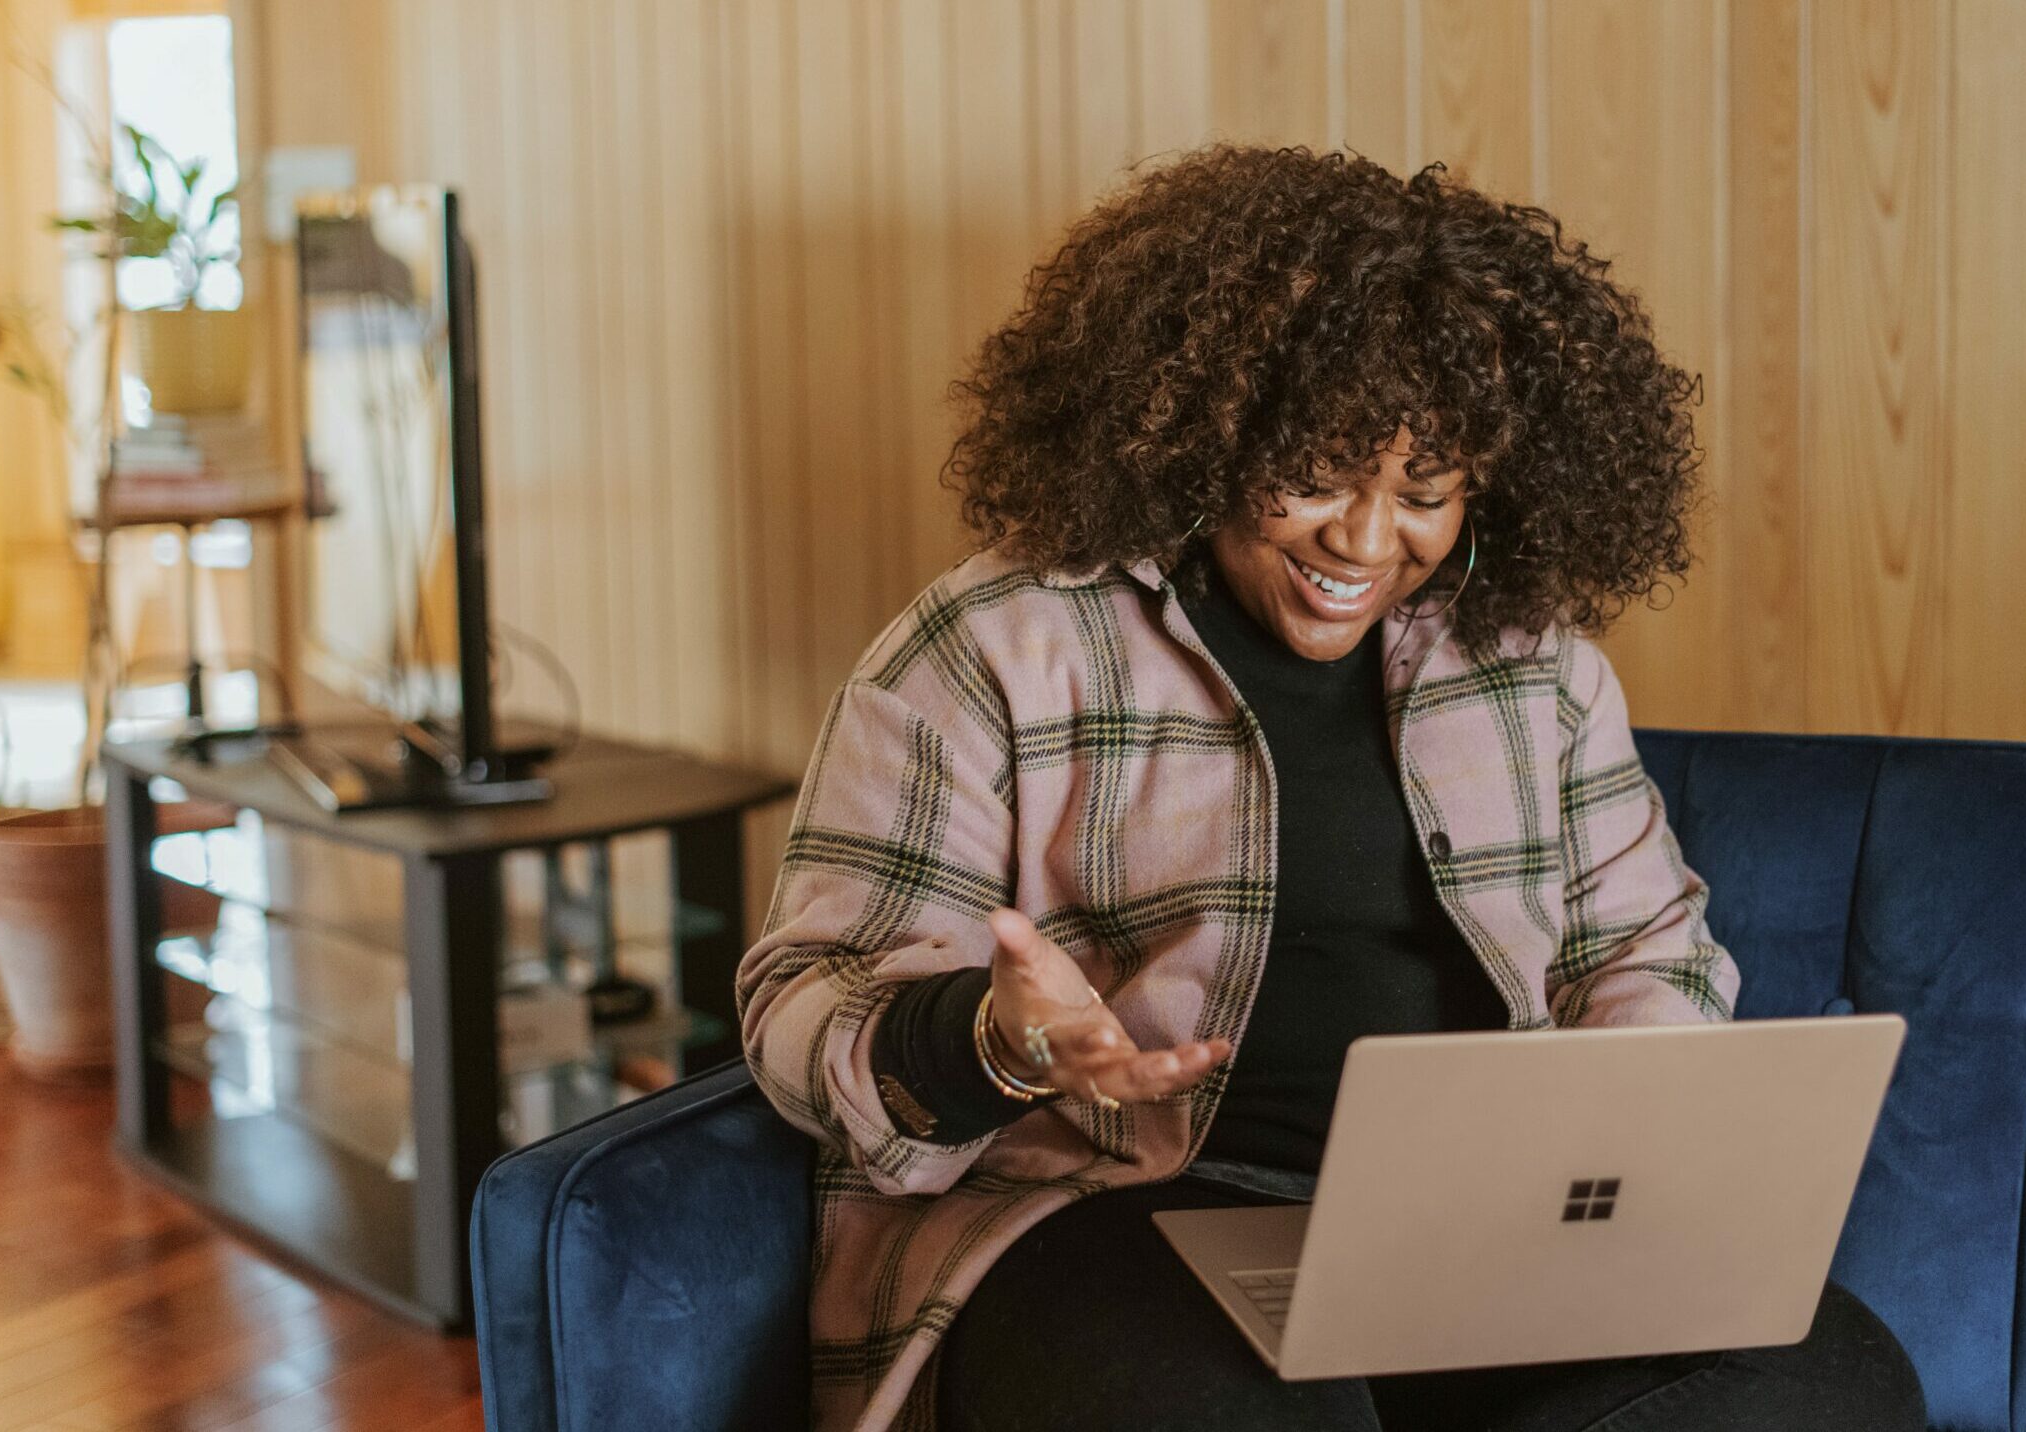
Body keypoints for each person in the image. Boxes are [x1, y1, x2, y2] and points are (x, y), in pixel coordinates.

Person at [736, 142, 1927, 1432]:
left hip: (1477, 1230)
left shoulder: (1539, 669)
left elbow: (1647, 951)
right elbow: (802, 1008)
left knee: (1830, 1384)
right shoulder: (998, 645)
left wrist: (1611, 1141)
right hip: (1115, 1215)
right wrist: (994, 1037)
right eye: (1312, 477)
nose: (1364, 543)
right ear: (1206, 433)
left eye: (1424, 492)